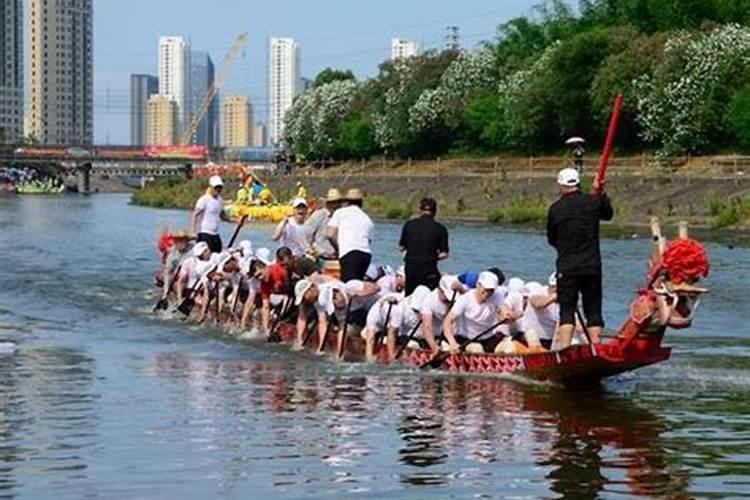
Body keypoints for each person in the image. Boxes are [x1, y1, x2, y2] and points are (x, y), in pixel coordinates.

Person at [547, 167, 614, 348]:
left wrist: (564, 248)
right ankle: (596, 345)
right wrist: (600, 193)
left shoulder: (555, 209)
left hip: (567, 266)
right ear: (577, 183)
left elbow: (551, 239)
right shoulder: (592, 202)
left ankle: (565, 348)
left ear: (561, 184)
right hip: (592, 265)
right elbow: (608, 214)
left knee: (567, 308)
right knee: (593, 308)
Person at [442, 271, 511, 354]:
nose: (488, 293)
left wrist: (508, 315)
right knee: (477, 349)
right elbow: (447, 321)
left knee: (510, 347)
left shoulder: (496, 295)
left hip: (488, 339)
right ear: (478, 285)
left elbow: (505, 309)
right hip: (467, 340)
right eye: (486, 289)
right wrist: (452, 342)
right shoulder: (465, 299)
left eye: (491, 290)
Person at [399, 197, 449, 295]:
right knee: (429, 295)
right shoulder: (440, 229)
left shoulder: (409, 225)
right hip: (429, 268)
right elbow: (444, 254)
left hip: (411, 267)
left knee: (410, 296)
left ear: (420, 210)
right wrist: (433, 257)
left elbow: (401, 247)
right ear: (435, 211)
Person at [326, 188, 374, 281]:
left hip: (349, 253)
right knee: (357, 284)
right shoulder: (367, 219)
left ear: (346, 202)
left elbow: (330, 234)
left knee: (349, 286)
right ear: (361, 203)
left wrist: (338, 248)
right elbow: (369, 241)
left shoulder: (340, 212)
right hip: (366, 255)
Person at [420, 275, 464, 353]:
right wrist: (434, 347)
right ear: (440, 289)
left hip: (455, 335)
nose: (448, 300)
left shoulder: (459, 293)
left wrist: (462, 290)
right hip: (437, 336)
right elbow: (427, 327)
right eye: (446, 297)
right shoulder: (429, 301)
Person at [190, 175, 234, 253]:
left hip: (215, 234)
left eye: (220, 187)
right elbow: (195, 215)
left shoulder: (220, 200)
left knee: (217, 254)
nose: (218, 189)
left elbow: (222, 216)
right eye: (216, 187)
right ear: (211, 187)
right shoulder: (204, 200)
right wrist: (193, 232)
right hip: (204, 234)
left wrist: (236, 220)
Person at [304, 188, 342, 261]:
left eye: (338, 202)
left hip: (337, 257)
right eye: (333, 202)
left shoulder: (342, 217)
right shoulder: (320, 215)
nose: (336, 205)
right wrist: (311, 250)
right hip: (321, 257)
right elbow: (306, 233)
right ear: (328, 203)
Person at [159, 230, 194, 304]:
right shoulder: (173, 253)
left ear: (187, 241)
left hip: (191, 276)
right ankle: (167, 296)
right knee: (161, 277)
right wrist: (165, 293)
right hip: (178, 276)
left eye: (182, 240)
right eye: (177, 241)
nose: (180, 243)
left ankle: (180, 300)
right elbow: (168, 272)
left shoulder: (194, 249)